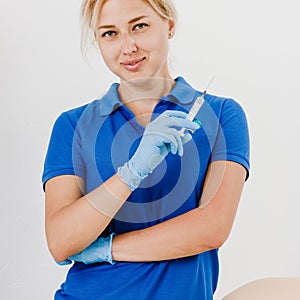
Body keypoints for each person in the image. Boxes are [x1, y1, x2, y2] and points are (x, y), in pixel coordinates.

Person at [42, 0, 250, 299]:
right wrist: (132, 171)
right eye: (109, 33)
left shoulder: (220, 114)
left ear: (169, 25)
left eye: (139, 26)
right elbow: (61, 241)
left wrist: (103, 249)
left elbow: (211, 228)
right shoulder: (73, 125)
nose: (127, 47)